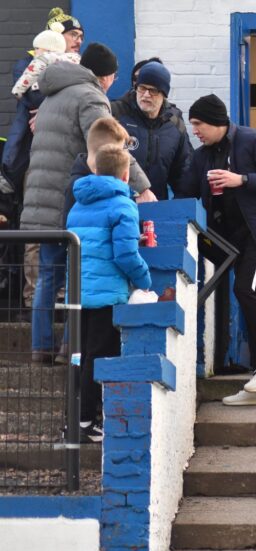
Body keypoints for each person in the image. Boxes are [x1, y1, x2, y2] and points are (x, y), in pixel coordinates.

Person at [20, 42, 156, 364]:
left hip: (40, 198)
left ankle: (40, 347)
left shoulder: (54, 94)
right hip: (68, 202)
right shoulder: (90, 96)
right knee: (75, 275)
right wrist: (143, 187)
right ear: (106, 76)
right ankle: (70, 348)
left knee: (47, 275)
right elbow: (111, 144)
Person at [178, 94, 256, 404]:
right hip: (237, 240)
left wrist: (240, 179)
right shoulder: (202, 156)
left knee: (248, 291)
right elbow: (184, 194)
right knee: (251, 296)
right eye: (192, 125)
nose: (195, 131)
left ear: (217, 122)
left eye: (199, 124)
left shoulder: (252, 139)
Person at [1, 7, 85, 312]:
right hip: (34, 163)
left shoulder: (77, 68)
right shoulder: (29, 63)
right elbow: (35, 96)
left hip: (66, 161)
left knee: (67, 230)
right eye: (72, 34)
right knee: (37, 231)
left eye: (80, 36)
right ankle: (33, 303)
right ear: (55, 37)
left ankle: (61, 302)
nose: (77, 41)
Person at [67, 144, 152, 442]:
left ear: (95, 169)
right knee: (99, 357)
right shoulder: (123, 204)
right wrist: (145, 281)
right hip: (106, 295)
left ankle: (74, 418)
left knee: (80, 356)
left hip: (79, 293)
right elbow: (125, 256)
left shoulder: (78, 203)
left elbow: (92, 243)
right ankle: (88, 422)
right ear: (127, 174)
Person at [111, 61, 193, 200]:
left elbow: (183, 172)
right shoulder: (116, 114)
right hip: (118, 205)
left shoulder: (174, 123)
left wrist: (180, 207)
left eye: (153, 90)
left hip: (156, 207)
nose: (146, 95)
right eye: (142, 88)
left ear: (164, 94)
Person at [11, 26, 80, 99]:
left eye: (37, 48)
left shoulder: (43, 58)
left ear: (47, 49)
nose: (34, 51)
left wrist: (17, 91)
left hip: (43, 92)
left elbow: (30, 75)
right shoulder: (75, 58)